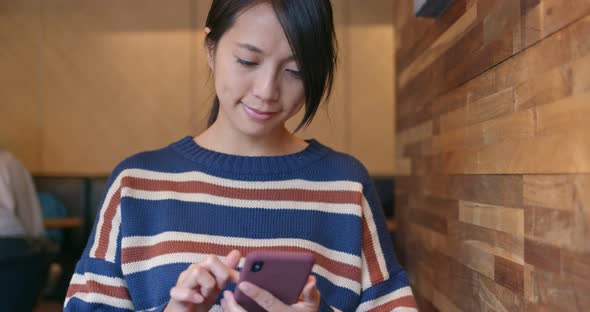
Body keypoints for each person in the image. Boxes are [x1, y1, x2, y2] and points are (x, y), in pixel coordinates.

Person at [64, 1, 417, 311]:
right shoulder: (137, 184)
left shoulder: (344, 185)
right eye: (248, 60)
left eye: (294, 71)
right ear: (211, 48)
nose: (267, 91)